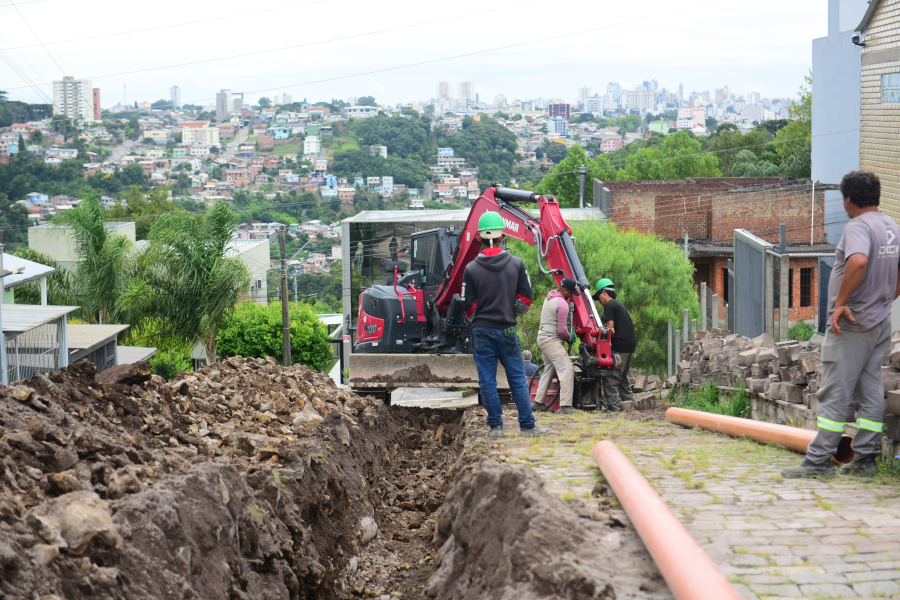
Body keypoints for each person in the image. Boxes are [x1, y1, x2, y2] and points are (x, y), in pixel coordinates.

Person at [782, 171, 900, 479]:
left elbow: (858, 261)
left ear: (848, 199)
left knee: (835, 390)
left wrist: (842, 303)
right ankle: (866, 459)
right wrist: (886, 300)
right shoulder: (890, 226)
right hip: (880, 322)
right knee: (870, 389)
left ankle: (819, 460)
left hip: (851, 326)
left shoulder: (858, 227)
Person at [461, 212, 550, 438]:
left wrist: (479, 317)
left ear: (479, 238)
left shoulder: (471, 269)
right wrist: (511, 313)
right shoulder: (516, 264)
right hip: (508, 329)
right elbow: (526, 298)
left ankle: (495, 428)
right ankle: (527, 426)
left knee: (487, 380)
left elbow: (467, 306)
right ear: (502, 237)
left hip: (481, 331)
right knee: (518, 379)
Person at [532, 279, 580, 415]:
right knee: (567, 369)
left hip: (542, 338)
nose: (570, 297)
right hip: (551, 340)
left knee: (549, 369)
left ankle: (538, 403)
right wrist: (570, 337)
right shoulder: (562, 304)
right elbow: (562, 330)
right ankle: (565, 406)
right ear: (565, 291)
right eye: (570, 294)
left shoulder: (550, 297)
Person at [593, 278, 636, 412]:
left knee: (611, 376)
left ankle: (613, 407)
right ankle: (631, 404)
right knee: (622, 377)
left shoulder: (610, 306)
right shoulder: (619, 305)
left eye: (599, 296)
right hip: (629, 345)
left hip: (620, 346)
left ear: (604, 293)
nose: (599, 301)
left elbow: (610, 330)